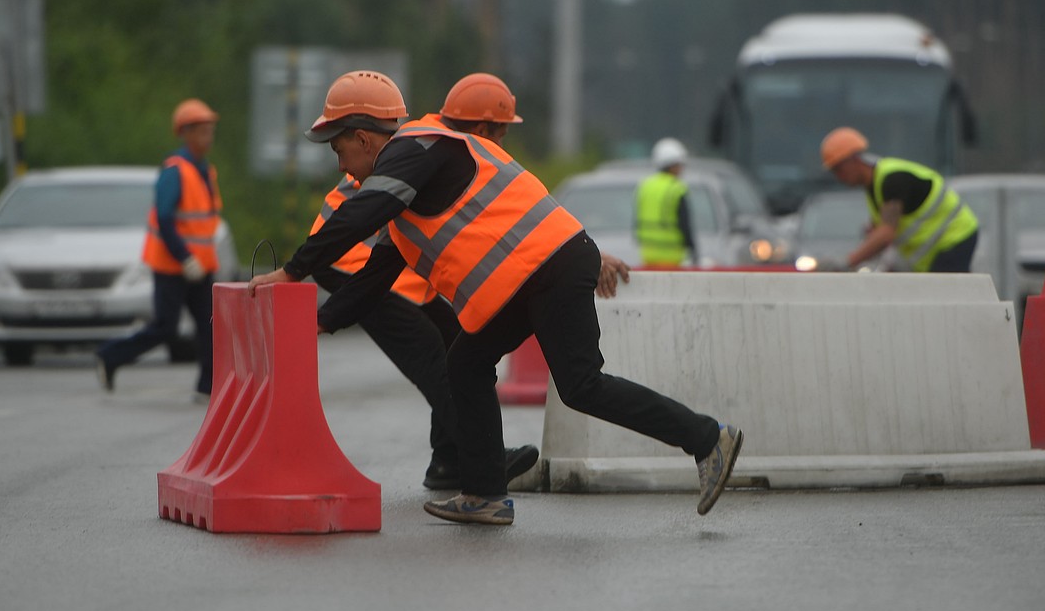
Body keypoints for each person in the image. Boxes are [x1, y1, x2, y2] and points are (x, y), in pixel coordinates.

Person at [248, 69, 742, 527]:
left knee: (580, 385)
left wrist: (292, 272)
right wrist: (319, 323)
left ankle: (706, 439)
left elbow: (360, 213)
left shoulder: (416, 146)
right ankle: (484, 493)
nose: (341, 167)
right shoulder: (404, 201)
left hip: (550, 267)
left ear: (362, 137)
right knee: (464, 362)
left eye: (339, 152)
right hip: (533, 274)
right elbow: (373, 279)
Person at [308, 74, 539, 491]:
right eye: (500, 134)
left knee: (456, 345)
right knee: (438, 362)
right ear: (481, 130)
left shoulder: (439, 145)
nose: (501, 144)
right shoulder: (434, 149)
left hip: (391, 271)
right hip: (356, 265)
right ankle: (484, 459)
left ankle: (448, 462)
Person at [96, 98, 222, 401]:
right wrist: (184, 257)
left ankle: (208, 388)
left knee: (212, 327)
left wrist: (198, 261)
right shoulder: (174, 171)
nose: (208, 136)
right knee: (166, 328)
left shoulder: (206, 171)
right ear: (186, 133)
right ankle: (110, 355)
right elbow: (165, 219)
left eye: (210, 130)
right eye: (202, 130)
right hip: (172, 265)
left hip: (201, 266)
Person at [819, 126, 979, 272]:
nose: (838, 177)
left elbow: (886, 233)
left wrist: (846, 262)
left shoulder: (892, 179)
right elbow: (885, 230)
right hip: (936, 249)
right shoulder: (874, 186)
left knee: (944, 295)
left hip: (954, 236)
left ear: (854, 159)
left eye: (838, 169)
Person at [635, 137, 698, 268]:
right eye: (679, 165)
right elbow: (684, 224)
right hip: (672, 257)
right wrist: (692, 248)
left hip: (647, 256)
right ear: (672, 166)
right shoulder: (676, 188)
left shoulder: (645, 186)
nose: (681, 169)